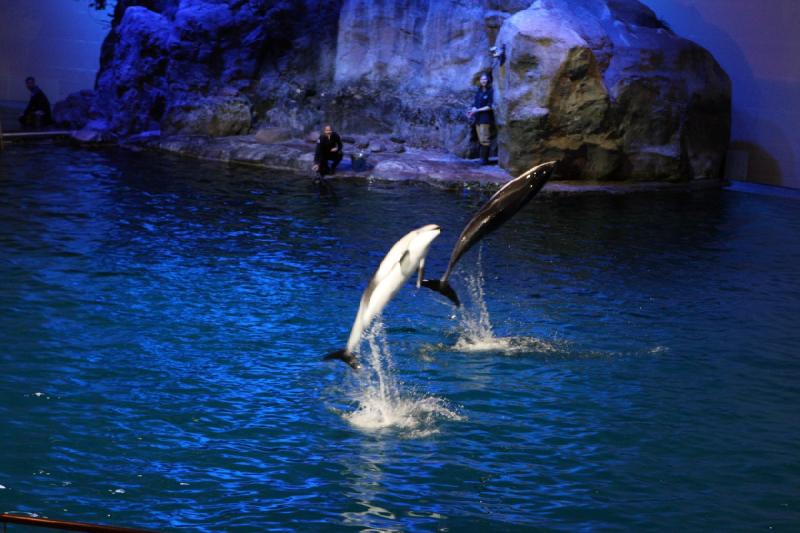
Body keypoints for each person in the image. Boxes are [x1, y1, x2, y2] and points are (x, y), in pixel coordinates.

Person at [467, 73, 494, 165]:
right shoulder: (478, 91)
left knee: (484, 139)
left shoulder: (490, 91)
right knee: (480, 139)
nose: (483, 81)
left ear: (488, 80)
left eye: (485, 79)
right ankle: (482, 158)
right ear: (480, 81)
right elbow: (475, 104)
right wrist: (472, 110)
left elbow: (490, 106)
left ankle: (485, 160)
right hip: (477, 118)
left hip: (485, 118)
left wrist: (477, 110)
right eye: (482, 79)